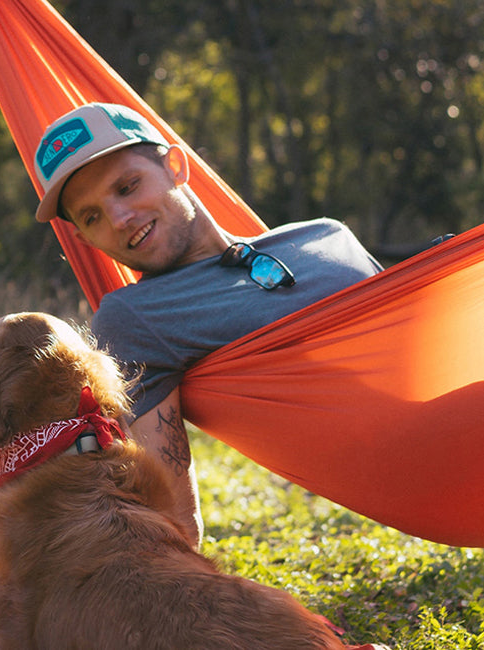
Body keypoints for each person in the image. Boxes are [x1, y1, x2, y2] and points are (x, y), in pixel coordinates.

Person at [34, 103, 383, 548]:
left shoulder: (324, 233)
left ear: (176, 166)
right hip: (416, 444)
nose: (119, 220)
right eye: (92, 217)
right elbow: (178, 523)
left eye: (127, 186)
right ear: (85, 240)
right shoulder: (134, 318)